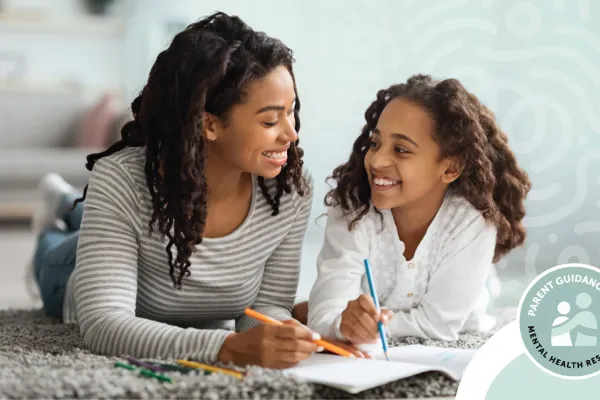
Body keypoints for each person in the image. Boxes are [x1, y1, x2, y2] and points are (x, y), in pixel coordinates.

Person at [26, 12, 359, 369]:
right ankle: (59, 208)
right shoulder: (121, 179)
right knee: (57, 248)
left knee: (99, 218)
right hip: (67, 269)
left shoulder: (289, 188)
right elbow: (105, 324)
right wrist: (227, 347)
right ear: (209, 123)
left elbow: (264, 309)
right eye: (269, 120)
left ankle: (68, 203)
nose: (291, 134)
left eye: (291, 112)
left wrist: (289, 334)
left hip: (150, 228)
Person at [305, 74, 531, 347]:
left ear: (449, 168)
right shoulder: (354, 209)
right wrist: (340, 323)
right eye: (375, 143)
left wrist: (363, 327)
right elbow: (324, 317)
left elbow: (439, 326)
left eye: (401, 149)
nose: (377, 160)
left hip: (467, 320)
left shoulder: (472, 222)